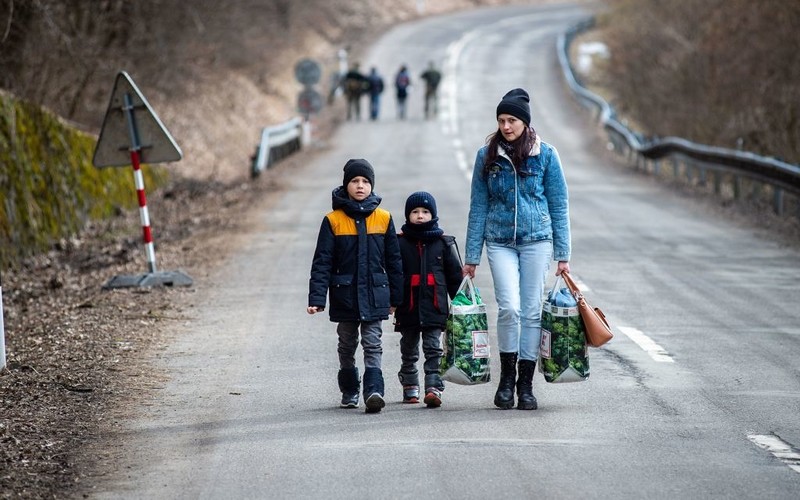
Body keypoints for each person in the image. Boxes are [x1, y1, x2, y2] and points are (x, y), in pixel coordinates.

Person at [462, 88, 571, 411]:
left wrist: (563, 254)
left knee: (532, 311)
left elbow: (559, 204)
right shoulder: (487, 156)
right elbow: (478, 206)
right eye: (501, 120)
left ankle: (526, 385)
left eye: (511, 120)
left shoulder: (546, 155)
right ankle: (506, 380)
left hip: (537, 240)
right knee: (509, 307)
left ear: (524, 122)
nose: (506, 126)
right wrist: (471, 257)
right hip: (499, 242)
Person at [308, 159, 403, 413]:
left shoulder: (384, 218)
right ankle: (349, 390)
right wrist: (317, 298)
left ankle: (374, 391)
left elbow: (394, 262)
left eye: (365, 181)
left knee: (373, 342)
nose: (360, 186)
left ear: (372, 185)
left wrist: (396, 297)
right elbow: (322, 262)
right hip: (345, 295)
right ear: (346, 185)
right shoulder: (333, 220)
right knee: (347, 343)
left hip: (375, 294)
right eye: (354, 181)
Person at [393, 192, 463, 408]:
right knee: (409, 348)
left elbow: (454, 278)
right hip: (408, 308)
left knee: (434, 348)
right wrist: (392, 301)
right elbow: (393, 275)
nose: (420, 216)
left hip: (435, 307)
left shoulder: (443, 243)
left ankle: (434, 387)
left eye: (425, 212)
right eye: (415, 212)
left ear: (433, 214)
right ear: (408, 216)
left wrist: (461, 303)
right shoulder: (399, 243)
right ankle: (410, 385)